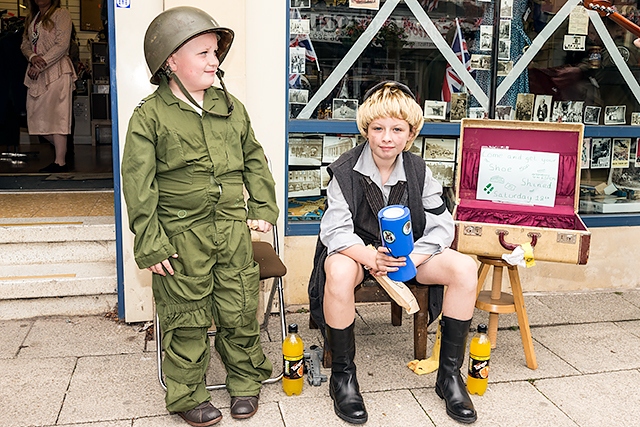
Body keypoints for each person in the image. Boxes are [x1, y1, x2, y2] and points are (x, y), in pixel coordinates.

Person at [121, 7, 278, 427]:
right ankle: (187, 394)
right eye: (203, 53)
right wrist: (150, 242)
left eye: (215, 53)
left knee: (239, 308)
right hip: (179, 236)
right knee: (186, 318)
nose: (214, 60)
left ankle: (244, 381)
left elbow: (254, 159)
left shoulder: (231, 108)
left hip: (230, 230)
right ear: (170, 61)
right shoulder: (149, 116)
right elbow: (139, 184)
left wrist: (262, 206)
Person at [308, 81, 479, 424]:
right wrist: (369, 257)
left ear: (410, 133)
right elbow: (334, 230)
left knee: (464, 268)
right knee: (338, 271)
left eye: (397, 129)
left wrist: (414, 257)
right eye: (378, 128)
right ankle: (343, 378)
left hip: (407, 255)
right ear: (366, 130)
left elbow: (443, 225)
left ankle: (449, 378)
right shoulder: (345, 171)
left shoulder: (419, 170)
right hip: (357, 252)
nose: (387, 137)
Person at [20, 0, 76, 173]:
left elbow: (62, 44)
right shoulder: (32, 18)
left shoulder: (62, 14)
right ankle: (64, 149)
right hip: (37, 73)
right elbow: (25, 44)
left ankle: (60, 161)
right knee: (35, 118)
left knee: (58, 116)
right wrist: (32, 57)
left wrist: (40, 63)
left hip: (57, 70)